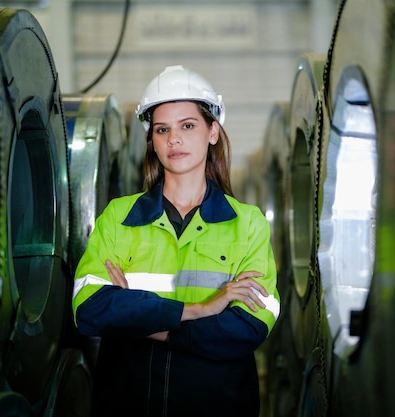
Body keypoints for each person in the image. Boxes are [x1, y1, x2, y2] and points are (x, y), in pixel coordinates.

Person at [71, 65, 280, 417]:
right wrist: (200, 310)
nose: (174, 139)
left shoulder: (247, 223)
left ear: (213, 131)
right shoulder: (119, 216)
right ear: (151, 140)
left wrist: (143, 323)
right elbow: (88, 310)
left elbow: (248, 327)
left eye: (188, 125)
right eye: (162, 129)